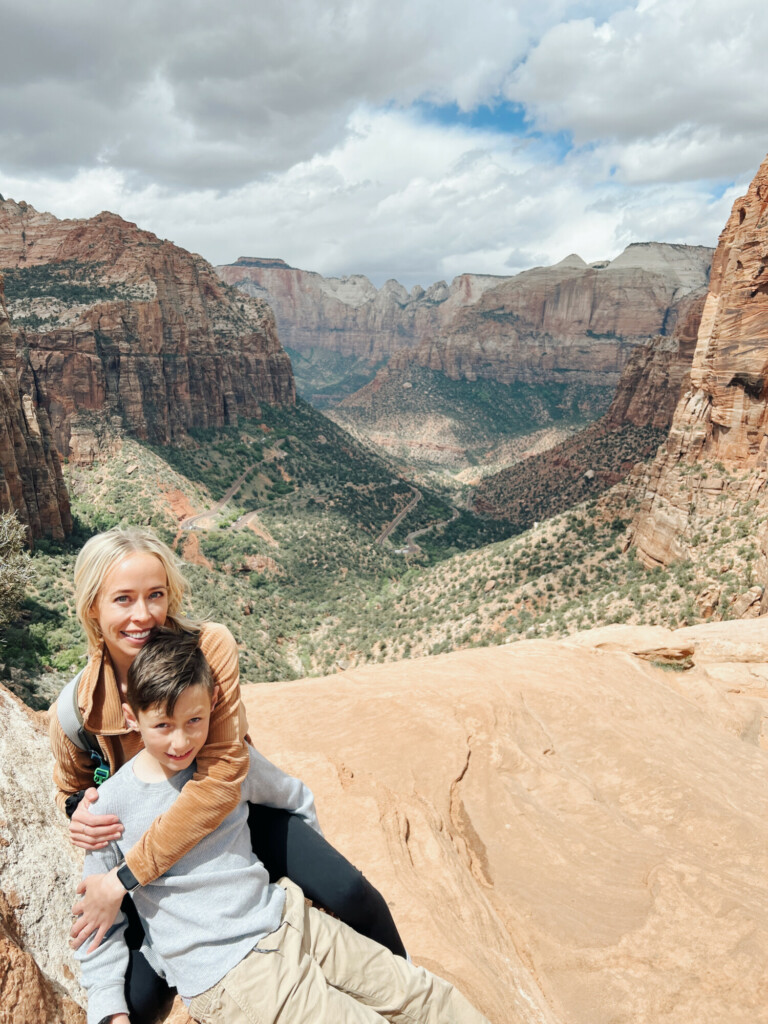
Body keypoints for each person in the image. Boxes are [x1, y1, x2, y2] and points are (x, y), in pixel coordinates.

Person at [50, 525, 406, 1021]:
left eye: (156, 595)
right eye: (123, 599)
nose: (143, 615)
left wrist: (122, 879)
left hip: (230, 818)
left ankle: (402, 998)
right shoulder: (74, 713)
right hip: (157, 863)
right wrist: (80, 812)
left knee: (349, 894)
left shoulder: (208, 650)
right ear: (93, 607)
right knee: (138, 999)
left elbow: (218, 781)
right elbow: (74, 787)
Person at [77, 629, 490, 1024]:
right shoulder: (110, 806)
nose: (181, 742)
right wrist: (111, 1010)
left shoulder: (226, 763)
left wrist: (315, 887)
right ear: (132, 718)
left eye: (194, 721)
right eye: (162, 726)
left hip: (288, 918)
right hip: (231, 970)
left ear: (214, 703)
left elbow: (294, 798)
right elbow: (98, 922)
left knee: (426, 995)